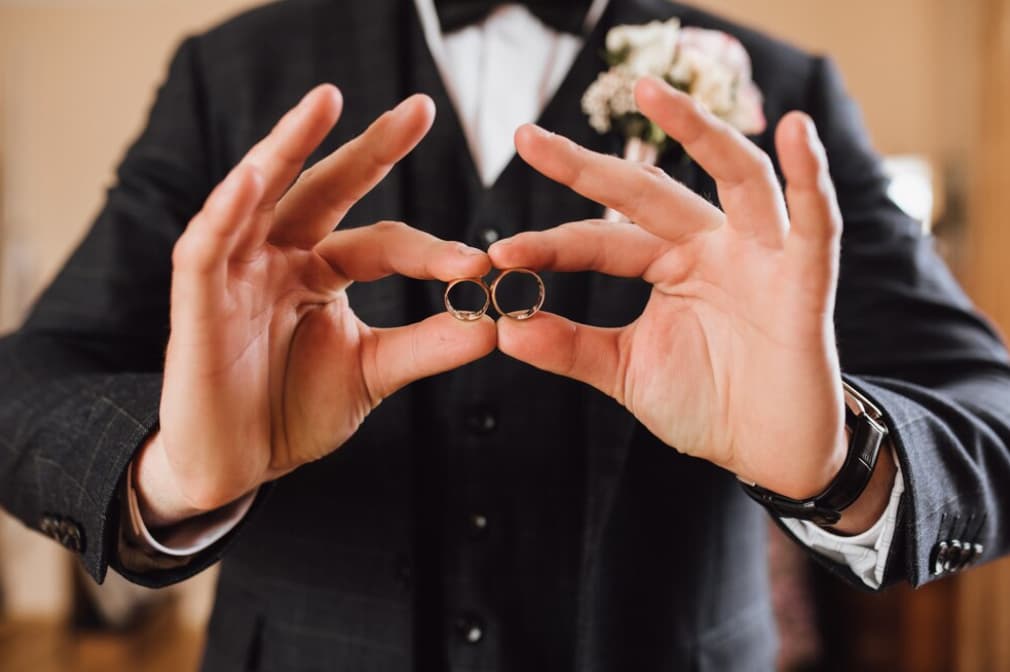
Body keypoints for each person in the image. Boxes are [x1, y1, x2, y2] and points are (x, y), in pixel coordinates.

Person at [1, 0, 1008, 669]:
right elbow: (27, 387)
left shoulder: (779, 88)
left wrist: (836, 464)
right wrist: (173, 474)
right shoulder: (230, 71)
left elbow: (987, 418)